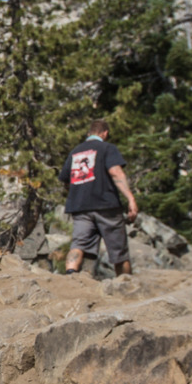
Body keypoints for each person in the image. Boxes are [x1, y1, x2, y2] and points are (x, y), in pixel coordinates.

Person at [59, 118, 138, 276]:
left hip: (81, 207)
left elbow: (66, 181)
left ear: (88, 133)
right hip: (106, 205)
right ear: (105, 133)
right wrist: (131, 199)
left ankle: (69, 276)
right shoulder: (107, 148)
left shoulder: (75, 152)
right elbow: (116, 173)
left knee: (78, 244)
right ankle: (126, 286)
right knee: (118, 252)